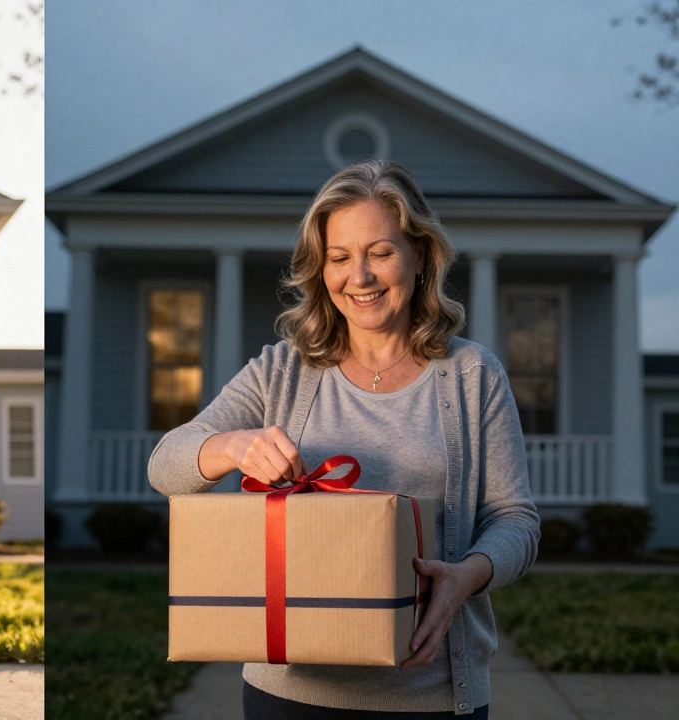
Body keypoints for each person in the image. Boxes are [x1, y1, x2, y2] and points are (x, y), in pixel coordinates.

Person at [147, 160, 540, 718]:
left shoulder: (474, 375)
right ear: (321, 269)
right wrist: (232, 446)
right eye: (339, 257)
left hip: (431, 696)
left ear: (420, 257)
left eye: (380, 252)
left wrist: (466, 577)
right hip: (289, 695)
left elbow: (517, 519)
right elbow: (165, 464)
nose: (360, 276)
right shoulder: (281, 371)